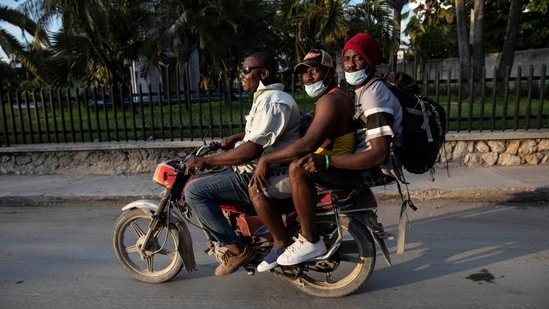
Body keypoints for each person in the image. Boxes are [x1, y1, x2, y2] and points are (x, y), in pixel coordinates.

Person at [275, 33, 404, 266]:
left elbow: (379, 154)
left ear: (370, 60)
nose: (351, 64)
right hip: (361, 161)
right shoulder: (363, 90)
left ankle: (309, 239)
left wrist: (327, 162)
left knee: (298, 168)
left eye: (359, 58)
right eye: (347, 59)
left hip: (373, 168)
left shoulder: (374, 95)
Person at [184, 52, 301, 277]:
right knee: (211, 174)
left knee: (195, 192)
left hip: (261, 173)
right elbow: (262, 135)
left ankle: (238, 250)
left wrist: (205, 159)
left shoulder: (273, 101)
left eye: (247, 70)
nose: (242, 75)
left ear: (263, 73)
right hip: (258, 166)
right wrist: (238, 137)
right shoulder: (266, 98)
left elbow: (253, 150)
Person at [248, 49, 356, 272]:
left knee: (264, 184)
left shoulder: (331, 100)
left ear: (328, 73)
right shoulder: (328, 98)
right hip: (327, 156)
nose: (308, 77)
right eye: (304, 73)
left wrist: (265, 160)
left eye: (315, 71)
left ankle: (301, 240)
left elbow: (308, 143)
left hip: (332, 162)